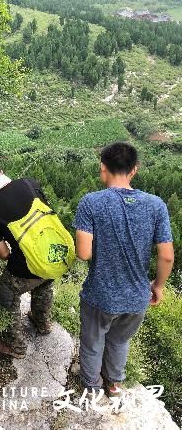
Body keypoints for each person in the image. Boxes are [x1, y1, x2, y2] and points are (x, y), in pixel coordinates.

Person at [73, 142, 174, 396]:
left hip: (100, 294)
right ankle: (114, 384)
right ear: (134, 170)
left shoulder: (91, 203)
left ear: (102, 168)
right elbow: (167, 256)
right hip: (137, 297)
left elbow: (83, 254)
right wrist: (158, 286)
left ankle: (92, 388)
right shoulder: (156, 205)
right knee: (119, 340)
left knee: (93, 343)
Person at [0, 161, 54, 359]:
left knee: (7, 292)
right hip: (54, 253)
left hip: (29, 264)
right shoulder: (29, 183)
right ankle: (42, 323)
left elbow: (3, 253)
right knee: (44, 283)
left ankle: (15, 345)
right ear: (1, 172)